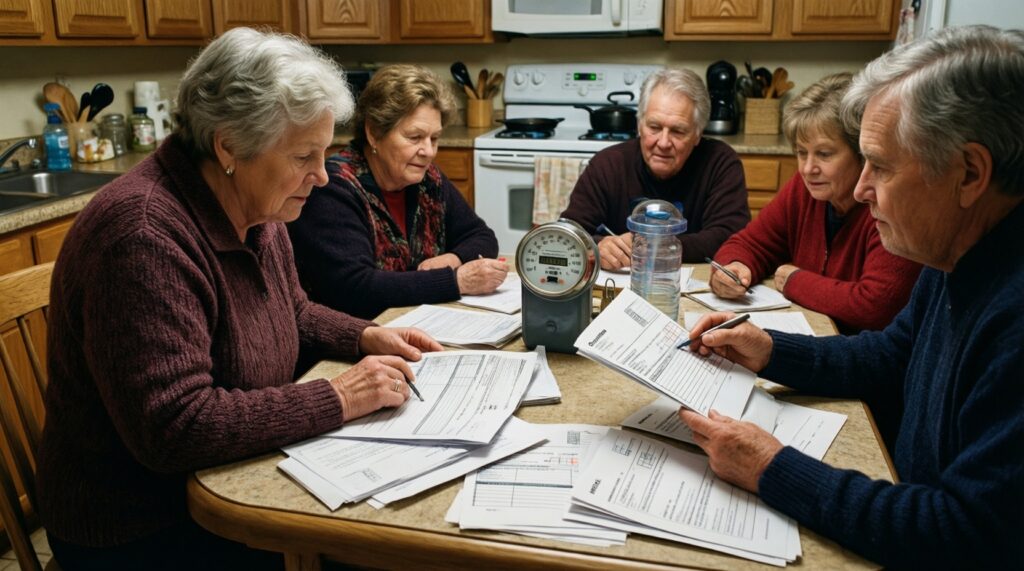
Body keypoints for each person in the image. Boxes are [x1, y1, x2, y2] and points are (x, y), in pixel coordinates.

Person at [36, 28, 443, 570]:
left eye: (323, 154)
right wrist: (340, 396)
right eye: (304, 155)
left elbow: (293, 310)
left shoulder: (255, 203)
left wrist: (365, 335)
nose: (321, 177)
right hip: (144, 526)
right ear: (229, 146)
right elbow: (175, 428)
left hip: (229, 479)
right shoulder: (142, 237)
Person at [680, 26, 1024, 568]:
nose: (862, 189)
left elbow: (962, 533)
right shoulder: (957, 249)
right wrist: (769, 349)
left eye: (881, 167)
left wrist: (771, 467)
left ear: (970, 174)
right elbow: (890, 355)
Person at [288, 64, 507, 320]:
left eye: (434, 138)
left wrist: (454, 258)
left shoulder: (428, 179)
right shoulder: (334, 188)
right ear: (374, 133)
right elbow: (356, 289)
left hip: (415, 323)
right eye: (414, 137)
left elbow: (481, 236)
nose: (428, 151)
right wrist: (456, 281)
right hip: (351, 343)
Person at [710, 73, 921, 332]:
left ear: (861, 154)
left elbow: (874, 306)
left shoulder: (887, 205)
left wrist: (794, 281)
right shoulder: (804, 189)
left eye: (824, 154)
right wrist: (734, 267)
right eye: (801, 152)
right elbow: (749, 243)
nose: (808, 168)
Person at [559, 68, 750, 269]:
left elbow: (730, 237)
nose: (664, 142)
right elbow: (569, 233)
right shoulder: (607, 164)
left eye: (678, 131)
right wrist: (598, 247)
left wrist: (650, 247)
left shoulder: (720, 162)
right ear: (639, 125)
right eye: (654, 127)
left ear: (697, 134)